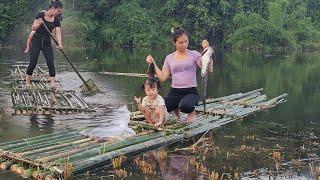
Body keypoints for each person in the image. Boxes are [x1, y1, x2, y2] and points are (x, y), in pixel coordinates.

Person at [146, 27, 202, 123]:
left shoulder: (194, 54)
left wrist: (207, 51)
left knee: (185, 106)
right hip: (175, 92)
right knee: (161, 107)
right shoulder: (169, 58)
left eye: (186, 41)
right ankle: (176, 109)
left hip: (191, 92)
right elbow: (163, 77)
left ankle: (191, 111)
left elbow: (207, 68)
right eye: (181, 42)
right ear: (174, 43)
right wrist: (153, 63)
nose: (184, 45)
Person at [25, 0, 63, 90]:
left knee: (51, 63)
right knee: (32, 63)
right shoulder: (41, 14)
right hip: (36, 42)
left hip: (47, 43)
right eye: (58, 11)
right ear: (53, 8)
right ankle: (27, 83)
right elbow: (33, 28)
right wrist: (39, 24)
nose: (59, 13)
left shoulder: (56, 20)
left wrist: (60, 43)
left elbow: (58, 33)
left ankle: (53, 85)